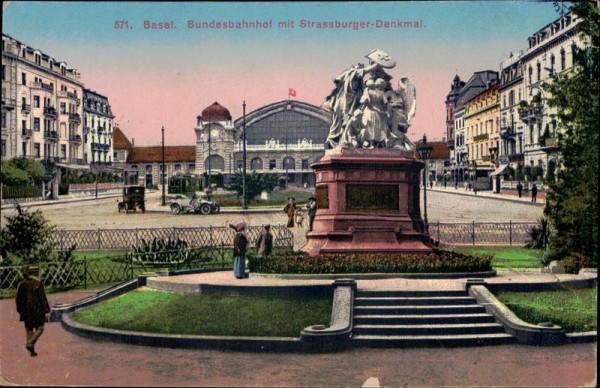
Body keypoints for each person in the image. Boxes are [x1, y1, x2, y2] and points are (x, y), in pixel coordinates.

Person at [16, 266, 50, 357]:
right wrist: (46, 310)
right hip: (38, 311)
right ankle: (30, 344)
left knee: (29, 329)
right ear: (36, 273)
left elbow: (18, 300)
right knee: (40, 327)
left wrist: (20, 311)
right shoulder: (38, 284)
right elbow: (43, 299)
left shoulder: (23, 284)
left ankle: (31, 351)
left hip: (26, 312)